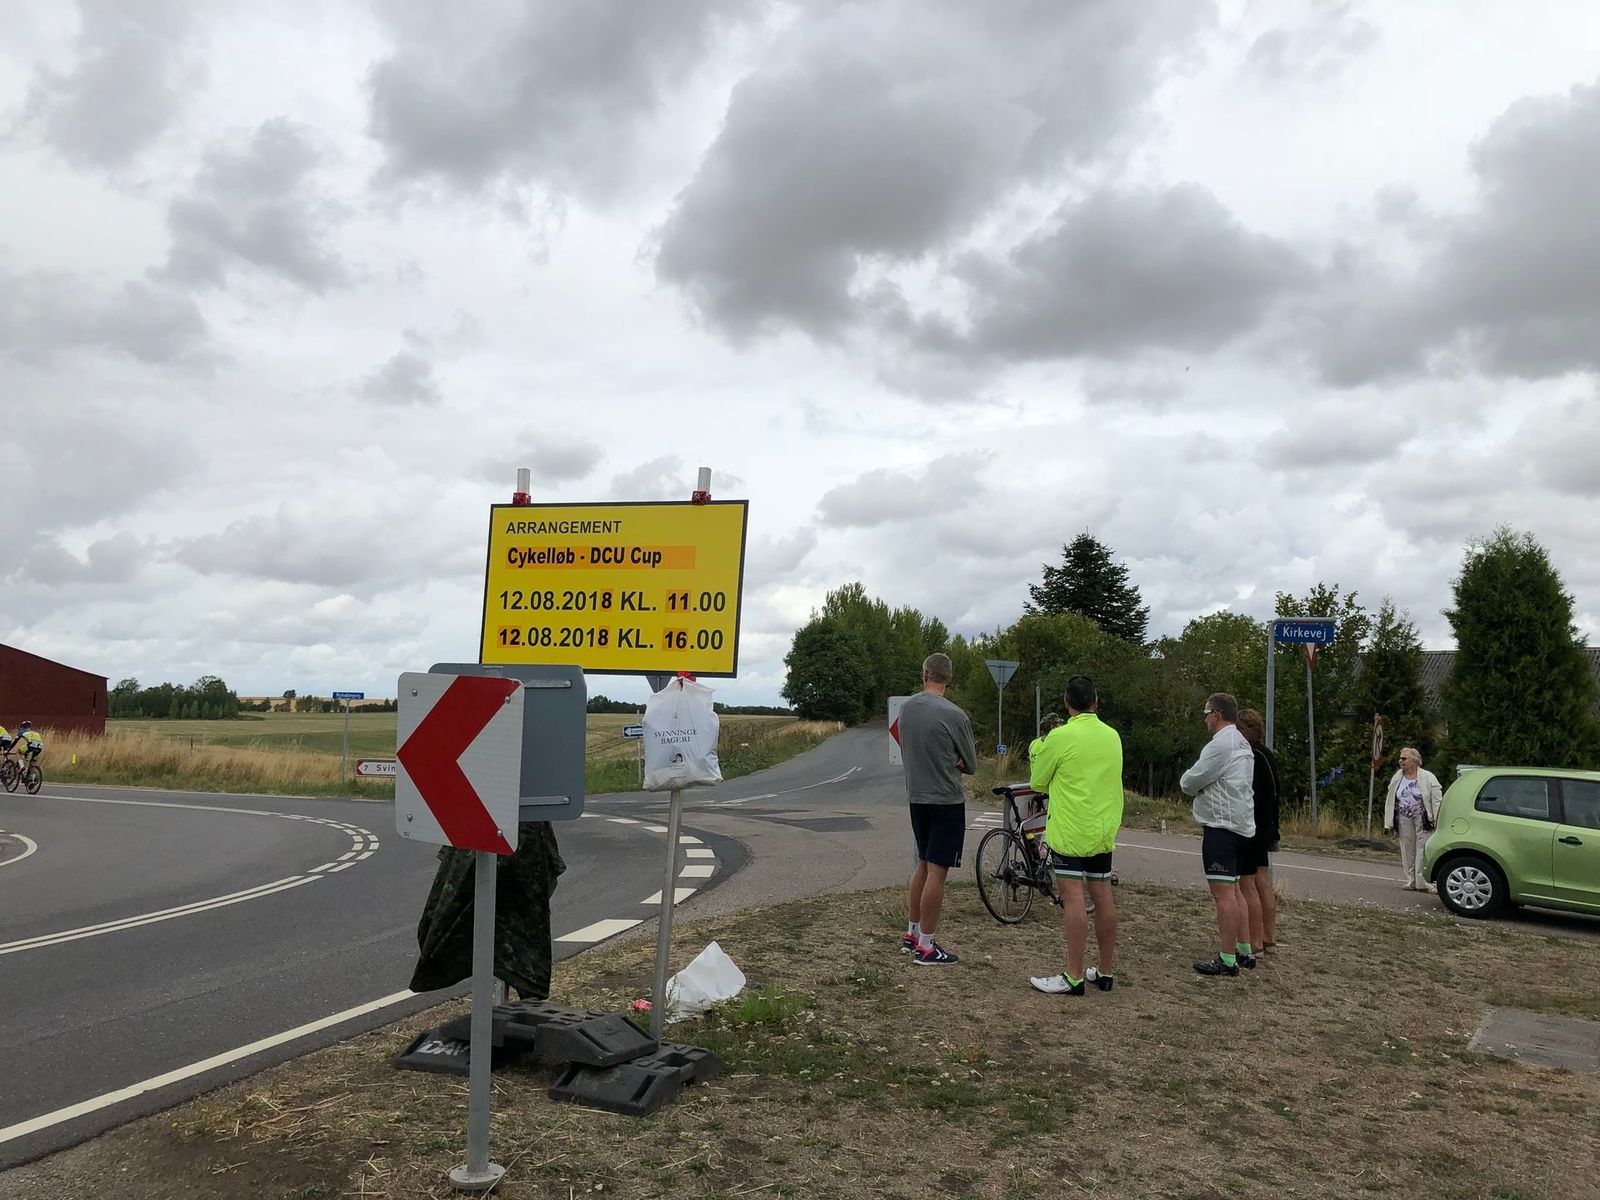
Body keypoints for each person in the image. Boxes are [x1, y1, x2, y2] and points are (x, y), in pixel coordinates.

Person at [1027, 676, 1123, 996]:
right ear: (1095, 702)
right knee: (1103, 896)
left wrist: (1038, 746)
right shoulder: (1112, 735)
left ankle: (1073, 975)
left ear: (1067, 703)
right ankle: (1105, 971)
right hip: (1102, 829)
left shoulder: (1060, 736)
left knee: (1073, 898)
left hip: (1071, 829)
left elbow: (1038, 781)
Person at [898, 652, 979, 966]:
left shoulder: (906, 709)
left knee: (922, 863)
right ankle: (927, 945)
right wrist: (954, 760)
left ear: (925, 675)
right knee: (937, 871)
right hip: (946, 799)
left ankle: (912, 932)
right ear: (949, 678)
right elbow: (970, 763)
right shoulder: (955, 715)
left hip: (917, 797)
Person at [1179, 693, 1257, 977]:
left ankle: (1227, 959)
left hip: (1221, 827)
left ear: (1216, 714)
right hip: (1241, 825)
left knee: (1223, 894)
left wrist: (1191, 784)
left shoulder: (1220, 744)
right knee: (1235, 890)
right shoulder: (1242, 742)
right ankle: (1244, 949)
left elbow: (1191, 780)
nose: (1204, 719)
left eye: (1206, 713)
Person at [1235, 708, 1280, 954]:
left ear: (1253, 730)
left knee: (1248, 882)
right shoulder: (1266, 754)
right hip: (1267, 826)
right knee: (1262, 881)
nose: (1238, 734)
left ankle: (1255, 941)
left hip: (1254, 827)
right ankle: (1268, 937)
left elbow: (1257, 795)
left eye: (1241, 729)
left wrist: (1253, 828)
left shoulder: (1253, 756)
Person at [1382, 747, 1444, 891]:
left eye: (1404, 758)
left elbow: (1437, 800)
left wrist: (1437, 818)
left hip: (1424, 818)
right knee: (1407, 849)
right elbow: (1391, 799)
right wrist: (1389, 821)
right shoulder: (1398, 777)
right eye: (1400, 758)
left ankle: (1422, 881)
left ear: (1414, 761)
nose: (1401, 761)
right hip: (1403, 817)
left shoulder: (1428, 777)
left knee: (1422, 848)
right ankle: (1411, 880)